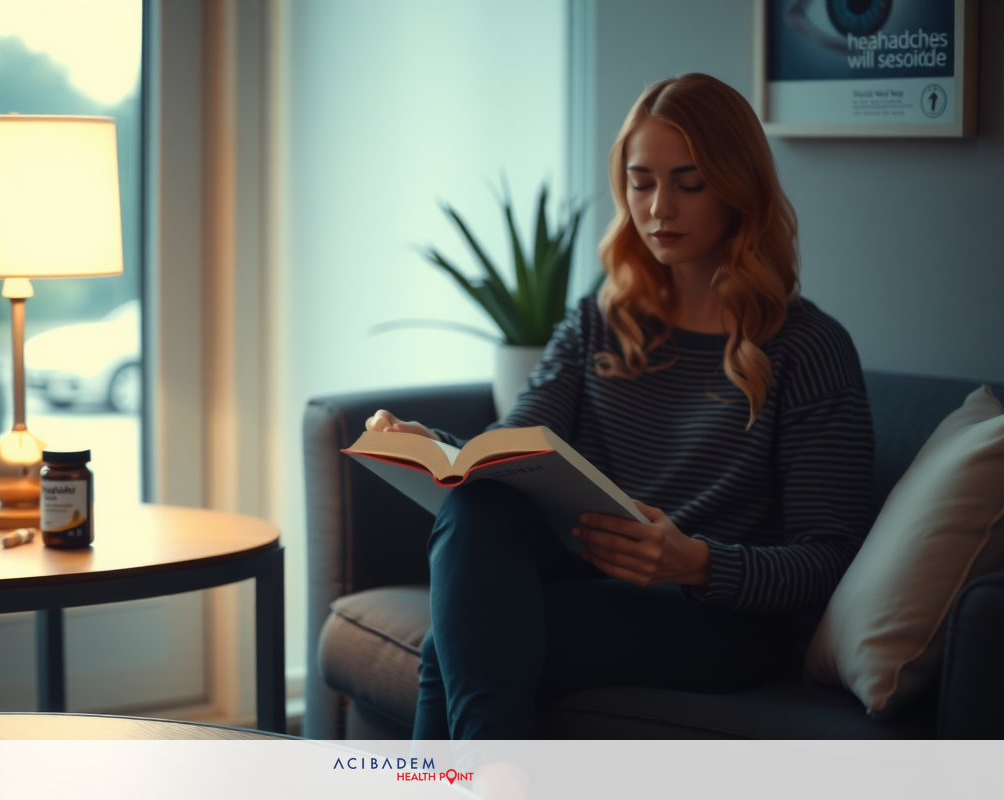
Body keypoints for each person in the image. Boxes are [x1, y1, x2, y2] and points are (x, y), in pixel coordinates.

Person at [365, 73, 874, 754]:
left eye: (688, 183)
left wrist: (696, 563)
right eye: (641, 182)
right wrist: (435, 448)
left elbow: (829, 560)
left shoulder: (808, 348)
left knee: (459, 645)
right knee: (474, 510)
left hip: (720, 619)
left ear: (737, 186)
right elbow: (511, 447)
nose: (659, 207)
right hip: (592, 579)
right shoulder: (600, 320)